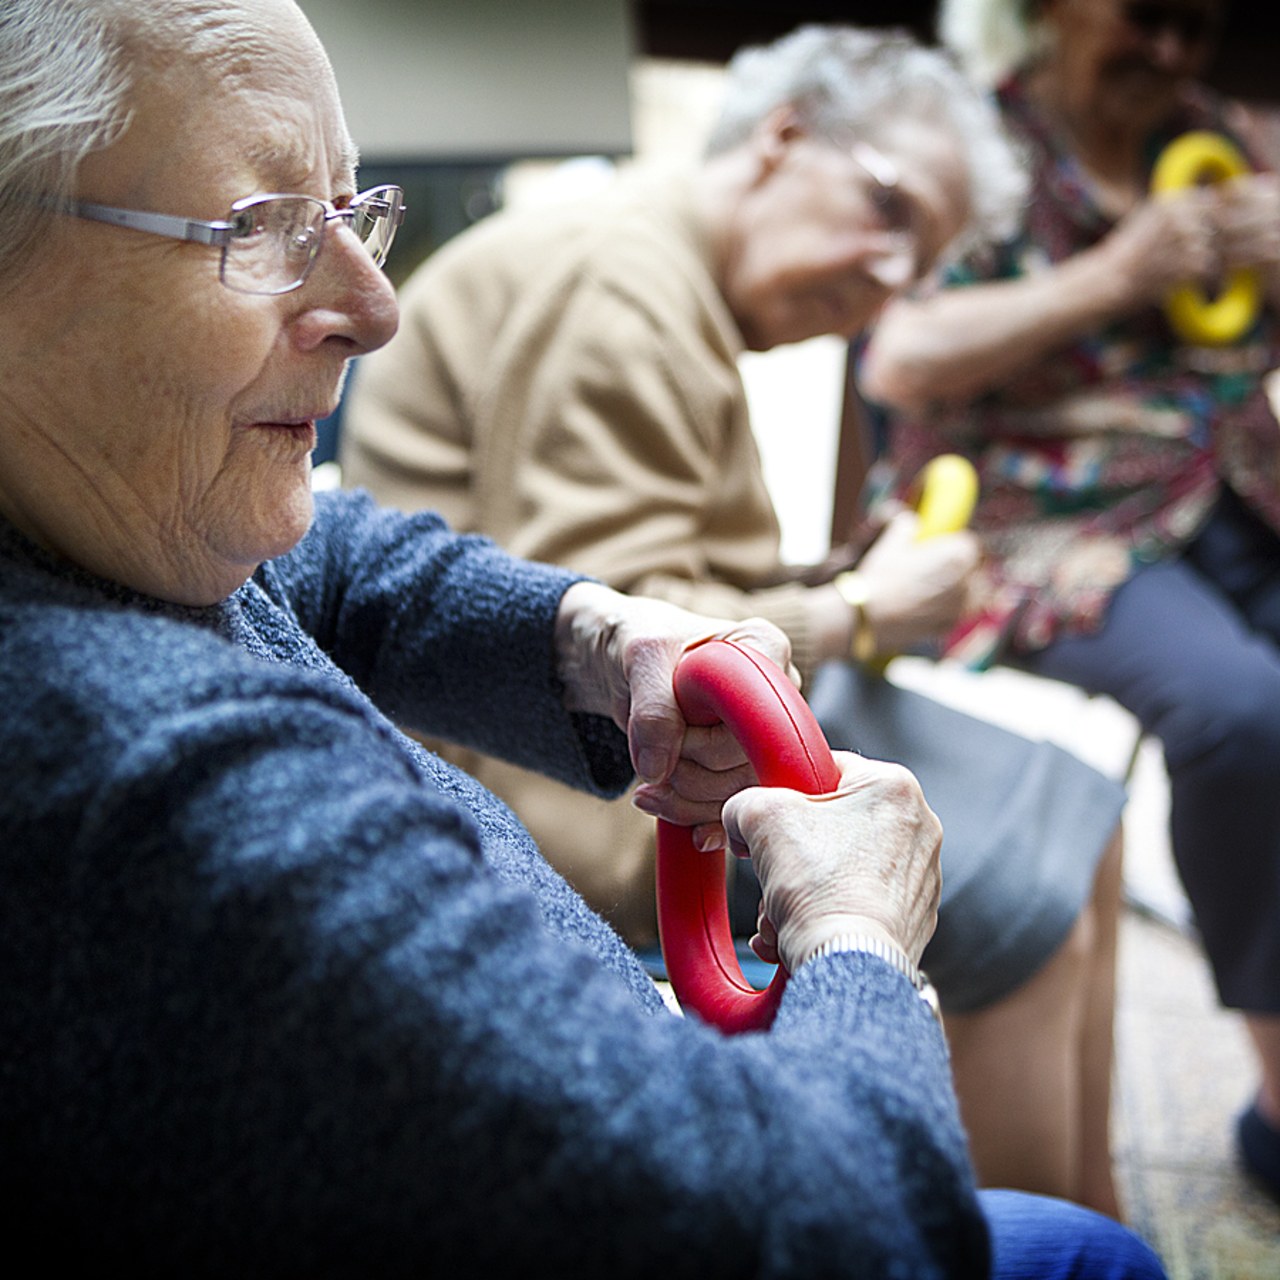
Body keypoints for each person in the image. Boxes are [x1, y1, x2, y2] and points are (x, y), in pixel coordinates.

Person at [0, 0, 1173, 1275]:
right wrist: (856, 938)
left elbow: (324, 552)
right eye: (267, 226)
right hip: (621, 917)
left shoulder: (128, 505)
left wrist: (591, 631)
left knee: (1078, 818)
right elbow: (839, 1230)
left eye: (347, 213)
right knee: (1075, 1192)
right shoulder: (184, 782)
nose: (375, 308)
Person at [340, 23, 1131, 1216]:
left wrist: (832, 575)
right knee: (1021, 900)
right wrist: (859, 609)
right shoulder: (617, 284)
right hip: (581, 776)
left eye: (919, 264)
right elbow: (635, 643)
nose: (888, 279)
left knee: (1087, 813)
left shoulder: (658, 268)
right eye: (887, 208)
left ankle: (1094, 1209)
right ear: (780, 137)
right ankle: (1015, 1235)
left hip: (657, 724)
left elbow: (660, 561)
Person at [856, 0, 1280, 1204]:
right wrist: (1116, 273)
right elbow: (898, 358)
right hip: (1039, 524)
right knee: (1239, 713)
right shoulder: (971, 145)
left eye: (1198, 28)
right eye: (1145, 17)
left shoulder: (1211, 138)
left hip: (1229, 492)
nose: (1171, 52)